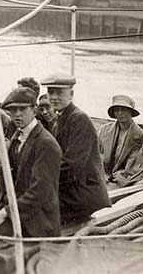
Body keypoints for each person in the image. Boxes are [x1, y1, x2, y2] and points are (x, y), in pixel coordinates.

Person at [0, 87, 63, 252]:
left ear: (34, 110)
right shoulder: (17, 137)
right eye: (12, 110)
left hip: (35, 221)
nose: (17, 114)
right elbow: (3, 177)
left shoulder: (46, 144)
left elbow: (38, 193)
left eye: (22, 109)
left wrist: (3, 213)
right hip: (14, 212)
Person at [42, 74, 110, 225]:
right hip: (72, 190)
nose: (53, 97)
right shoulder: (61, 118)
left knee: (35, 211)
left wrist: (43, 182)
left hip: (83, 194)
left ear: (71, 94)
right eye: (50, 92)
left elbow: (72, 166)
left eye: (59, 93)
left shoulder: (79, 119)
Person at [97, 95, 143, 181]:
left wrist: (123, 172)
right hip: (101, 174)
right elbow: (96, 153)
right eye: (117, 110)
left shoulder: (140, 135)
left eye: (123, 110)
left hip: (121, 178)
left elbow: (136, 162)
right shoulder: (104, 130)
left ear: (131, 112)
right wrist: (100, 172)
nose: (120, 113)